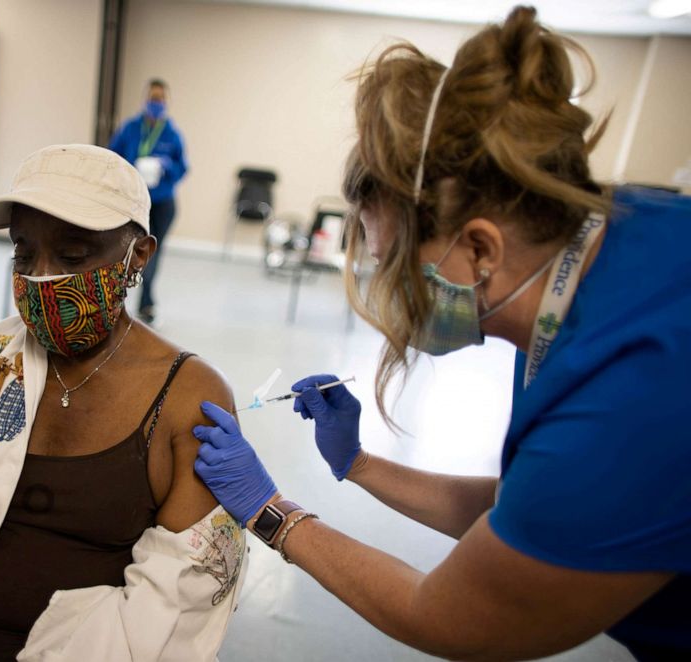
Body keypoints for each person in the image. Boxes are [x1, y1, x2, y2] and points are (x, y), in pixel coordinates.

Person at [191, 7, 690, 661]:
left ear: (480, 250)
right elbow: (521, 512)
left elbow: (452, 617)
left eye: (395, 267)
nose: (392, 295)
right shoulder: (606, 251)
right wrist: (358, 464)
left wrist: (269, 510)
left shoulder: (633, 392)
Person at [0, 144, 246, 662]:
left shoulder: (190, 398)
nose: (43, 278)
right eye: (24, 253)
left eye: (74, 255)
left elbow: (177, 605)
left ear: (137, 255)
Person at [109, 78, 188, 325]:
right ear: (145, 99)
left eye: (161, 99)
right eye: (153, 98)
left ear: (167, 102)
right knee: (125, 251)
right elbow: (112, 157)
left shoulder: (172, 133)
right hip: (134, 201)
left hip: (162, 203)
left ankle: (146, 304)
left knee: (152, 253)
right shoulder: (131, 128)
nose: (157, 103)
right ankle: (114, 299)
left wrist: (166, 166)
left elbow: (182, 167)